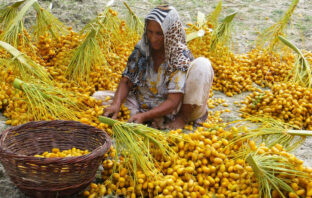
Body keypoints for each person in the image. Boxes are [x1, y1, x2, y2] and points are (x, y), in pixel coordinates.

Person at [93, 5, 214, 129]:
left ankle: (182, 118)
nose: (153, 38)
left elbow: (173, 101)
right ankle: (150, 117)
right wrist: (116, 104)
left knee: (202, 65)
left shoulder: (178, 55)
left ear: (169, 33)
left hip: (175, 107)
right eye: (150, 32)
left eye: (159, 34)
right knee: (97, 99)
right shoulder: (143, 48)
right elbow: (127, 80)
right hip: (145, 101)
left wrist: (144, 116)